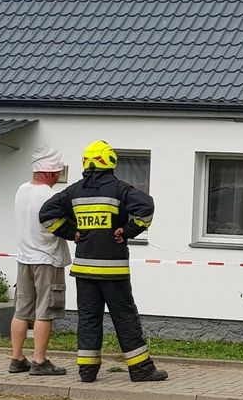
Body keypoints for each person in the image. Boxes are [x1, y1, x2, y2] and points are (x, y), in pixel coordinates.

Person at [39, 140, 166, 384]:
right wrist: (127, 231)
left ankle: (87, 372)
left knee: (88, 319)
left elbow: (46, 214)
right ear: (110, 162)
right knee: (125, 318)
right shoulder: (120, 189)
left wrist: (70, 232)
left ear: (86, 162)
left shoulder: (73, 191)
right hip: (113, 270)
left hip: (84, 269)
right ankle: (141, 369)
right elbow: (146, 207)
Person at [9, 147, 70, 376]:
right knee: (46, 311)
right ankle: (40, 360)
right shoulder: (49, 196)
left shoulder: (21, 190)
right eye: (58, 172)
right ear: (50, 173)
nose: (58, 176)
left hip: (24, 257)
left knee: (21, 310)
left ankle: (16, 358)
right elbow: (58, 225)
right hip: (47, 258)